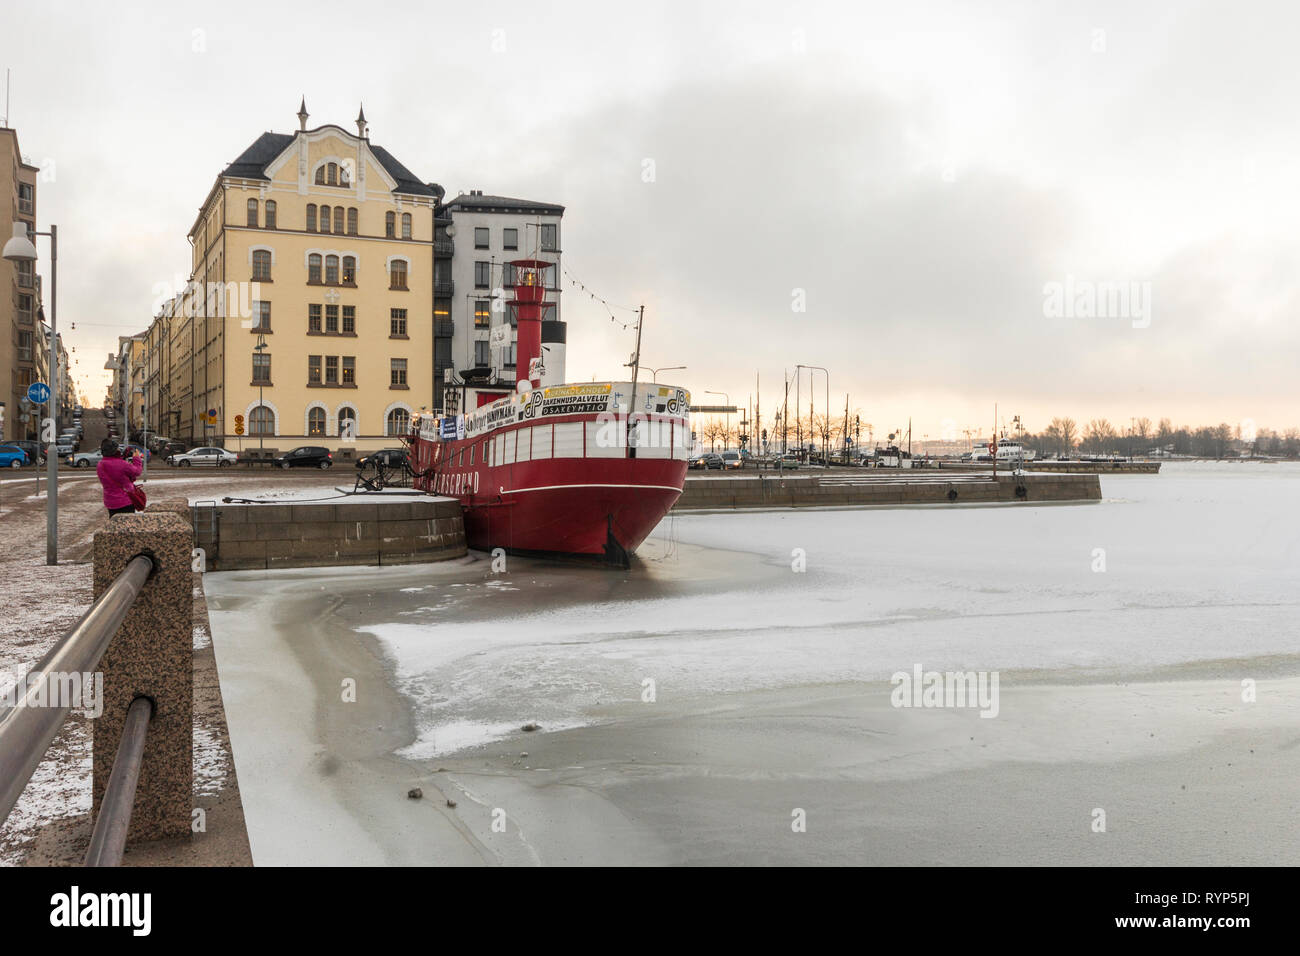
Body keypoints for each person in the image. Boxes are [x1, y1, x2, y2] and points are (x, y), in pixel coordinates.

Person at [97, 439, 143, 516]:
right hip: (125, 501)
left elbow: (115, 470)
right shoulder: (122, 464)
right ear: (115, 450)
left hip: (110, 502)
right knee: (127, 524)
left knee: (114, 523)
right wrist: (136, 458)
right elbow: (137, 471)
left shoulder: (100, 465)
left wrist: (122, 457)